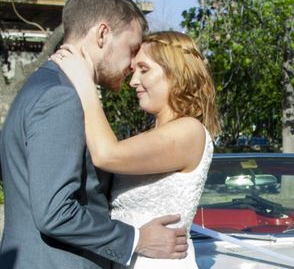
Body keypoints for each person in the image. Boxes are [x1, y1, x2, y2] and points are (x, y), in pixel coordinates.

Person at [0, 0, 188, 269]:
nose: (131, 64)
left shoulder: (43, 85)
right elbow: (55, 212)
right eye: (132, 47)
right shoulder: (60, 97)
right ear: (102, 35)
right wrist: (137, 240)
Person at [52, 30, 219, 268]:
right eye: (133, 71)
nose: (133, 81)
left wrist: (83, 81)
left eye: (144, 69)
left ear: (176, 72)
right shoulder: (148, 137)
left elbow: (106, 154)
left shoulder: (189, 132)